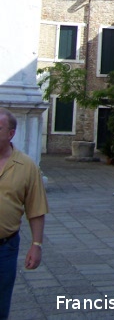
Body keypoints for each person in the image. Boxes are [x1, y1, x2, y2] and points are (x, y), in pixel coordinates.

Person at [0, 108, 49, 320]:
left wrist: (36, 245)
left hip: (5, 247)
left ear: (11, 133)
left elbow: (36, 208)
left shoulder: (27, 166)